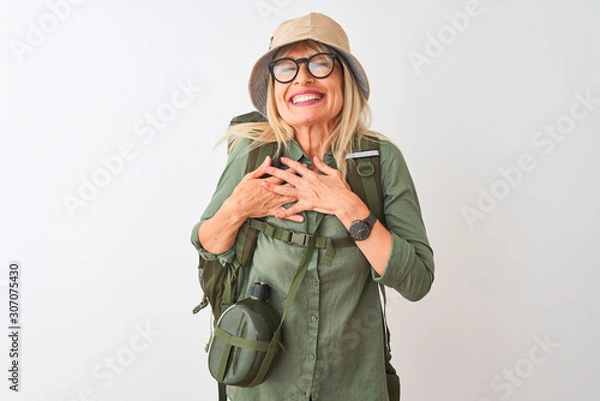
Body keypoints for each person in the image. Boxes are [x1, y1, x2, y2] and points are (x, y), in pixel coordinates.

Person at [191, 12, 434, 401]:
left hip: (353, 383)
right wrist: (237, 208)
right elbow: (207, 244)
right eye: (286, 68)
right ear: (274, 87)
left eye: (320, 64)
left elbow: (417, 281)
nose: (302, 79)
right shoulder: (253, 153)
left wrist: (348, 206)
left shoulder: (381, 160)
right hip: (260, 383)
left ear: (345, 79)